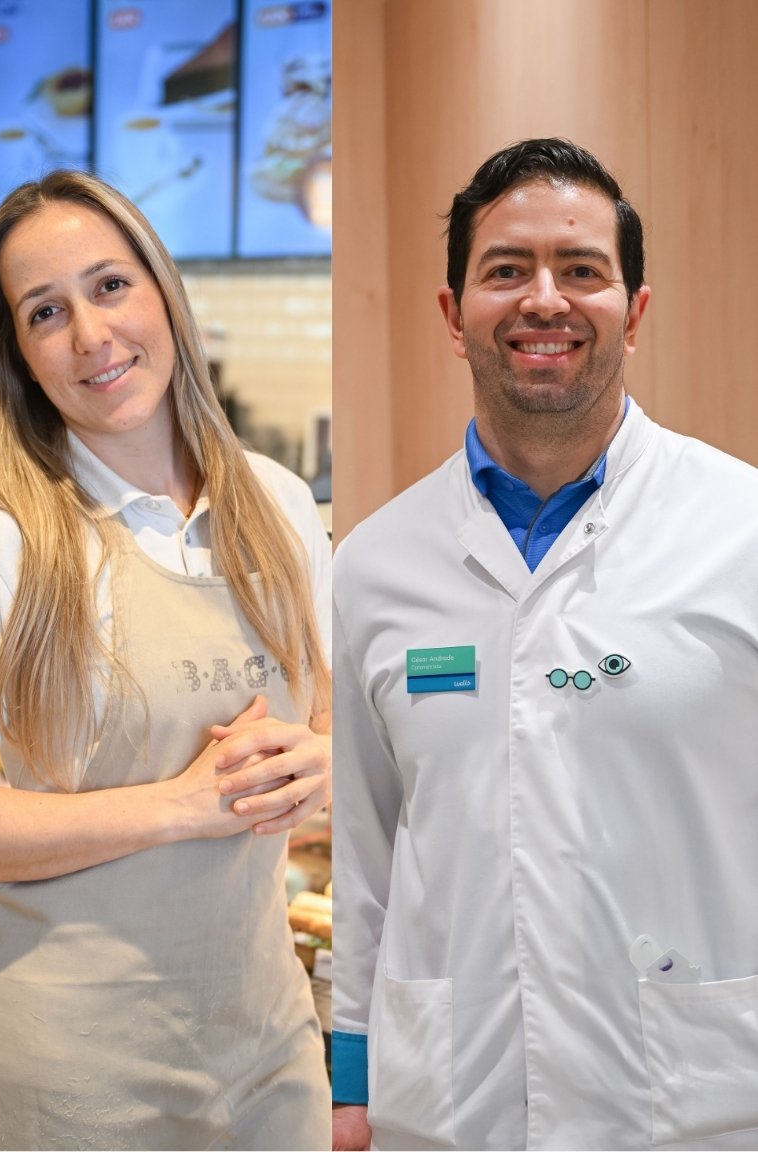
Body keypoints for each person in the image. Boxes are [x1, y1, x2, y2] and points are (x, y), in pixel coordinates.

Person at [0, 169, 334, 1150]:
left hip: (260, 1054)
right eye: (45, 311)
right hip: (63, 1075)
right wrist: (177, 807)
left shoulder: (278, 505)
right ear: (20, 354)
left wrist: (324, 760)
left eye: (109, 286)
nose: (91, 336)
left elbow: (337, 711)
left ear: (161, 292)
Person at [332, 138, 758, 1149]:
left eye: (581, 271)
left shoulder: (740, 528)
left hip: (695, 1099)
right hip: (451, 1106)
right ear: (453, 314)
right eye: (505, 270)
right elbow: (365, 853)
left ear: (633, 311)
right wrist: (350, 1081)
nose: (543, 301)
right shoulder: (375, 562)